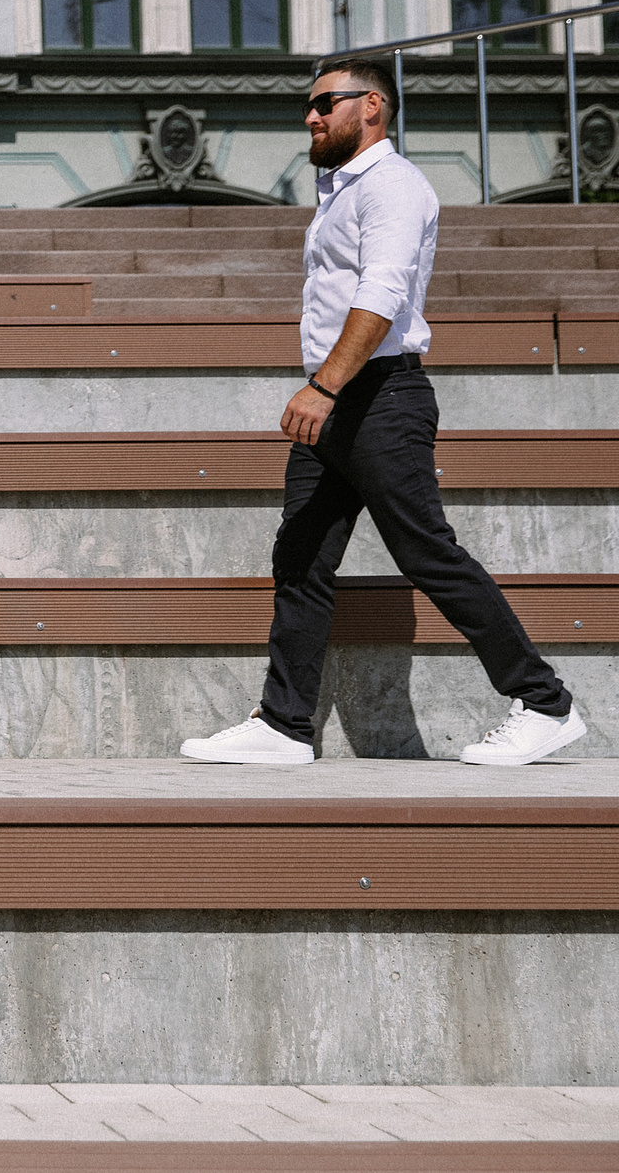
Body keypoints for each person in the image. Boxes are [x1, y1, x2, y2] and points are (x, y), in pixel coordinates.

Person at [182, 59, 586, 767]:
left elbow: (382, 293)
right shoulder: (342, 191)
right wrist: (327, 390)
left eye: (324, 103)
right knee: (300, 556)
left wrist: (324, 386)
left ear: (372, 105)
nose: (310, 116)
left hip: (377, 398)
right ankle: (284, 724)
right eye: (309, 106)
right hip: (340, 400)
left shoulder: (393, 185)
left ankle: (545, 703)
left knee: (427, 552)